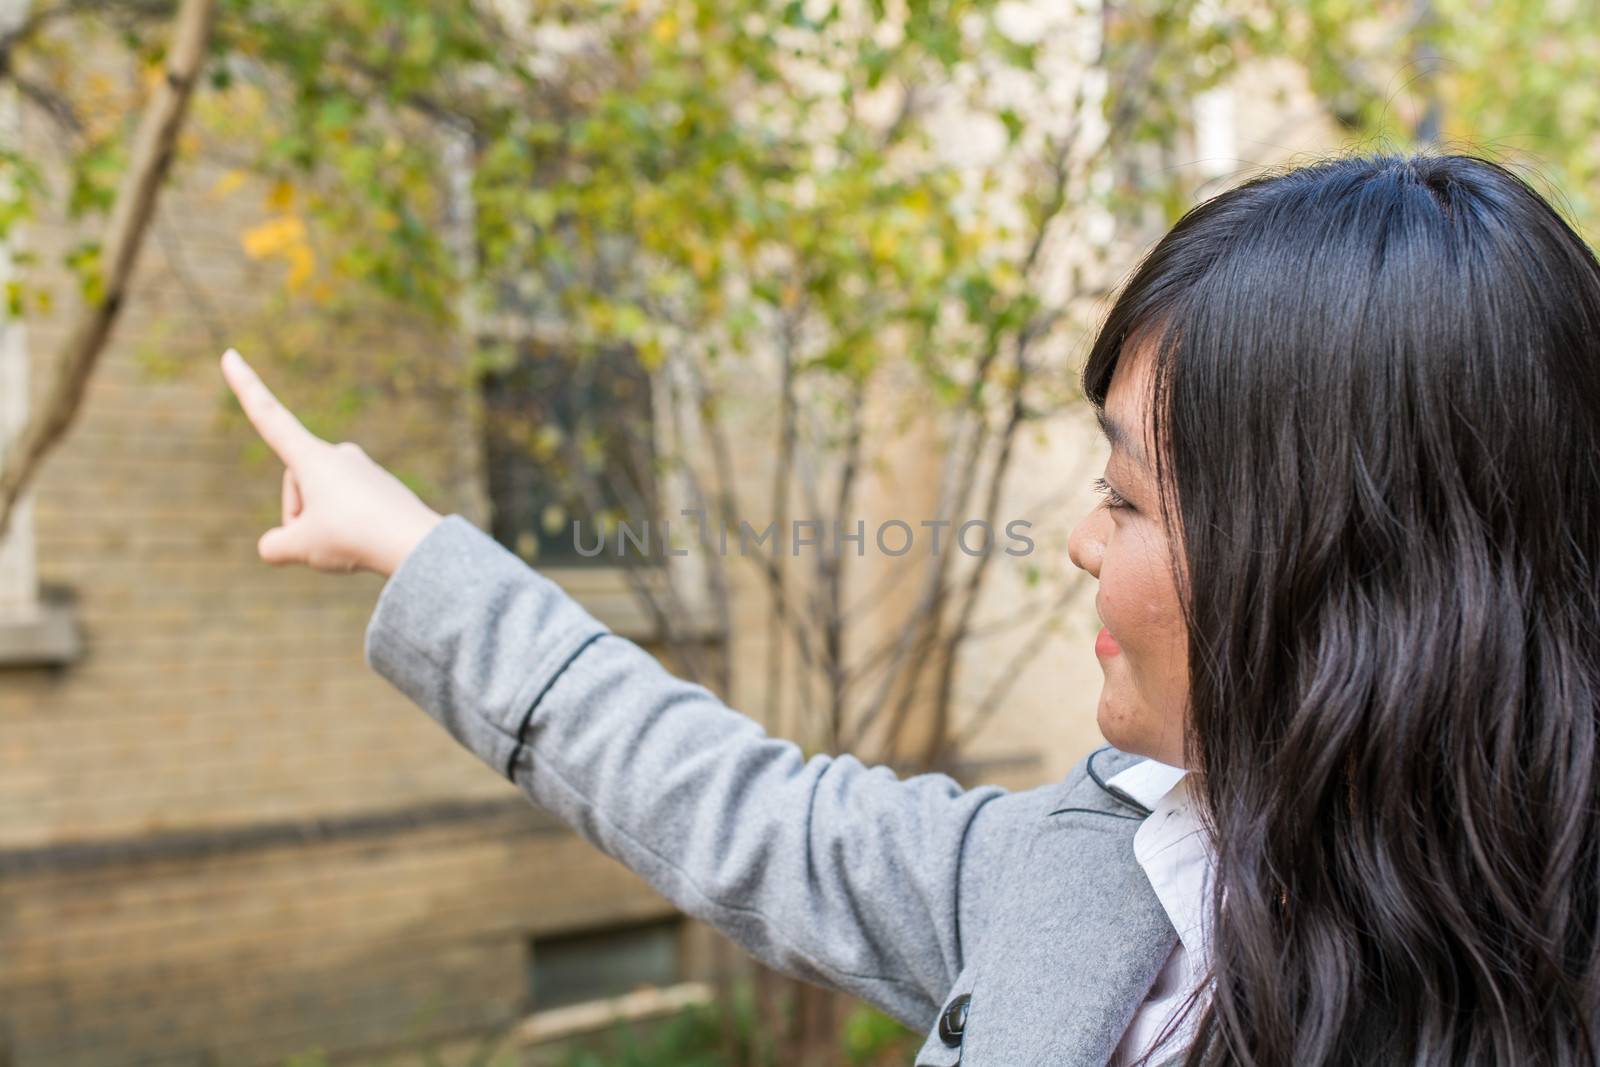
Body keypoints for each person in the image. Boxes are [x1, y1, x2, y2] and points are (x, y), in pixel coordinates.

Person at [219, 151, 1600, 1066]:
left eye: (1126, 499)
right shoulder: (1081, 876)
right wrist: (416, 554)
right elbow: (746, 811)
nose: (1074, 541)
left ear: (1341, 568)